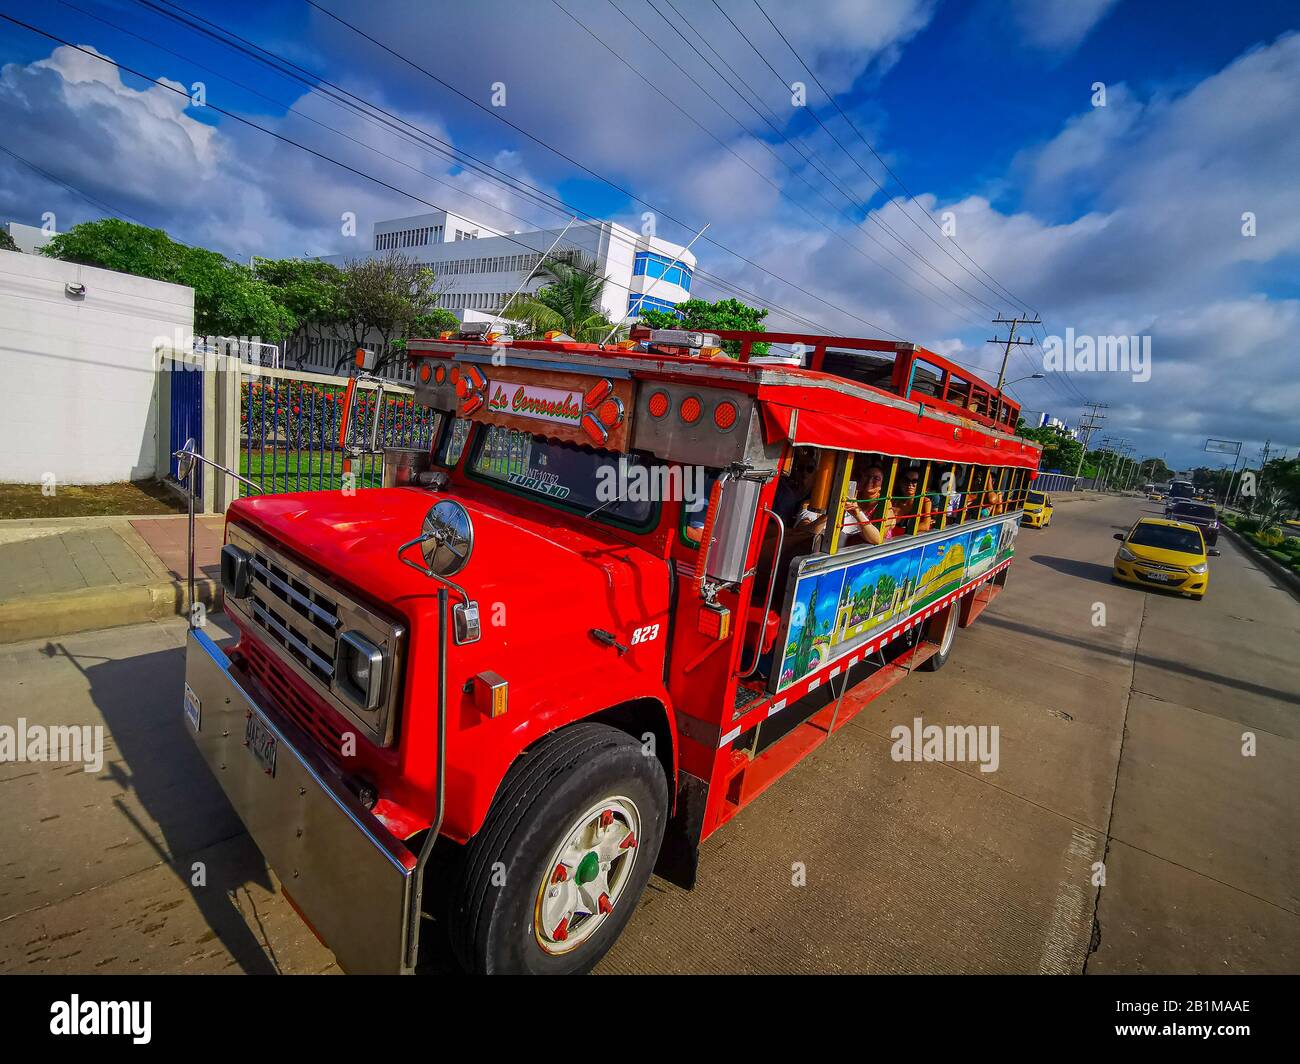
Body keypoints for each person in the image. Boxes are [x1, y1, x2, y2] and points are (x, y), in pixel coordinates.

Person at [888, 466, 933, 538]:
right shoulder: (893, 500)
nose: (910, 484)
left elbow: (925, 526)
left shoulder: (925, 501)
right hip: (888, 540)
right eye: (906, 480)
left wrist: (902, 532)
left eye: (915, 481)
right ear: (900, 482)